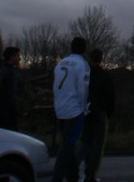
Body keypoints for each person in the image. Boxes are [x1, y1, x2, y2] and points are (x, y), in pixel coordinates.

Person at [53, 37, 90, 182]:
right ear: (84, 49)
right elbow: (83, 89)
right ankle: (56, 178)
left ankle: (73, 177)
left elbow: (56, 86)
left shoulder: (61, 63)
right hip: (74, 112)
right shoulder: (82, 64)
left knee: (69, 145)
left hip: (60, 110)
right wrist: (83, 109)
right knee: (67, 148)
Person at [83, 49, 115, 182]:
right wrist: (109, 112)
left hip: (85, 112)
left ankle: (80, 169)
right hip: (100, 112)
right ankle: (91, 173)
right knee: (97, 144)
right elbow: (111, 96)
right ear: (101, 59)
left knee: (86, 142)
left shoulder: (84, 74)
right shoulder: (105, 76)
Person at [0, 46, 20, 130]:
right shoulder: (10, 73)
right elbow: (11, 94)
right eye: (17, 56)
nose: (19, 58)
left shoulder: (1, 71)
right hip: (5, 114)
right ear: (12, 57)